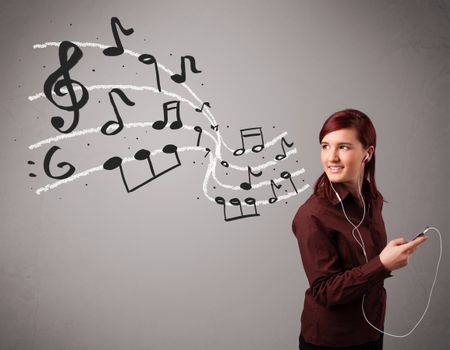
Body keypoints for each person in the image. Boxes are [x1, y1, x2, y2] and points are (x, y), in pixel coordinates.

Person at [291, 109, 427, 350]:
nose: (331, 157)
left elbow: (366, 259)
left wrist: (391, 255)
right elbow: (324, 291)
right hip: (332, 341)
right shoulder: (311, 216)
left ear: (368, 153)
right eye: (325, 146)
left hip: (371, 330)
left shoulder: (373, 200)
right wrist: (383, 264)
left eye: (343, 147)